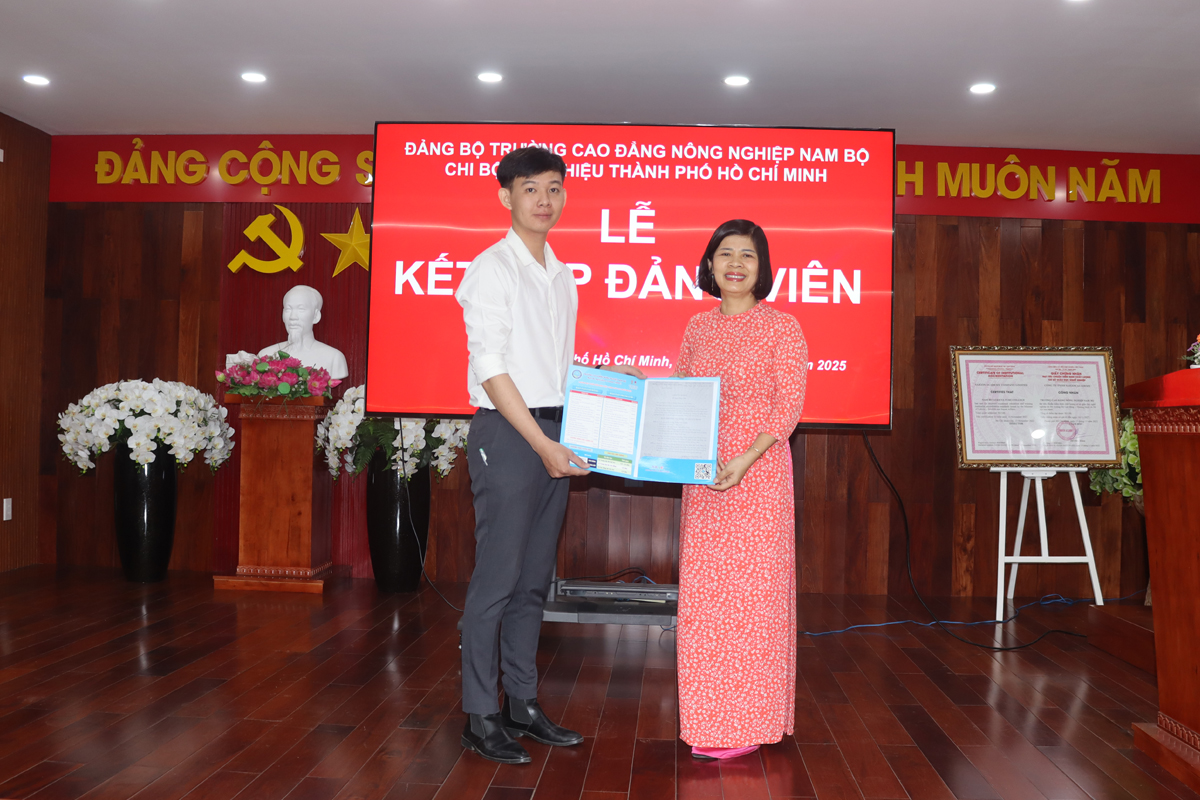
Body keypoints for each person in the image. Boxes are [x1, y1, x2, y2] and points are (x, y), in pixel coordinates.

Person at [455, 146, 642, 765]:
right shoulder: (492, 268)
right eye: (531, 188)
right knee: (497, 580)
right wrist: (541, 445)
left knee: (534, 581)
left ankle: (521, 703)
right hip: (511, 437)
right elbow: (492, 368)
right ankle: (480, 714)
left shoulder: (561, 274)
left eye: (555, 188)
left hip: (554, 431)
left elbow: (550, 366)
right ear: (506, 196)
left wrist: (603, 378)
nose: (544, 199)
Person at [674, 219, 808, 761]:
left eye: (747, 255)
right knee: (706, 602)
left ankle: (750, 720)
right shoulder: (696, 327)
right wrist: (637, 384)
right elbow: (682, 396)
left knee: (755, 602)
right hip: (705, 477)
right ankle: (708, 719)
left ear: (762, 267)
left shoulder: (783, 328)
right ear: (709, 264)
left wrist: (746, 459)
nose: (735, 264)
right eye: (725, 253)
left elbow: (788, 407)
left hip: (759, 477)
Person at [257, 284, 349, 379]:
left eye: (301, 309)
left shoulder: (334, 358)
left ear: (316, 316)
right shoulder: (266, 355)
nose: (293, 317)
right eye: (288, 309)